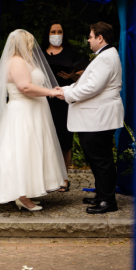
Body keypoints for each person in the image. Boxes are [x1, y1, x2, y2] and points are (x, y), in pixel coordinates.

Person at [0, 29, 67, 212]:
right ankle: (21, 196)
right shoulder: (17, 61)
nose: (32, 46)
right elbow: (25, 87)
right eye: (29, 42)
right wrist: (51, 92)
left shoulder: (22, 61)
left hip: (32, 112)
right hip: (23, 112)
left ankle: (24, 192)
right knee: (21, 151)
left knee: (29, 151)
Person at [52, 22, 124, 214]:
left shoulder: (106, 58)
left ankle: (108, 201)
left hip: (98, 118)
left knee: (101, 160)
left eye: (90, 36)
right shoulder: (105, 56)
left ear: (100, 38)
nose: (88, 40)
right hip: (95, 117)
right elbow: (89, 83)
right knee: (96, 159)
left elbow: (93, 87)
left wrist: (65, 95)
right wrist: (65, 89)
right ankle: (102, 194)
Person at [42, 20, 84, 192]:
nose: (56, 35)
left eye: (59, 31)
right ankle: (45, 179)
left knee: (64, 140)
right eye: (53, 31)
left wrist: (71, 76)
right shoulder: (39, 52)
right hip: (43, 101)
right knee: (44, 139)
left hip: (64, 100)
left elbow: (83, 75)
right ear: (47, 33)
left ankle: (64, 179)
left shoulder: (72, 52)